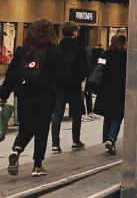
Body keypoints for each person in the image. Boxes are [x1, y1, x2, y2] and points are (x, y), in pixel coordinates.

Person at [0, 18, 64, 177]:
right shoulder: (55, 52)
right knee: (42, 129)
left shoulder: (22, 51)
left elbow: (10, 76)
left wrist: (3, 96)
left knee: (25, 127)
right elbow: (62, 76)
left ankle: (17, 149)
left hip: (24, 96)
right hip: (46, 97)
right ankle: (37, 166)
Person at [50, 21, 90, 153]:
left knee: (57, 115)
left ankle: (55, 144)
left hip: (59, 87)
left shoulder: (57, 48)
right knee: (77, 114)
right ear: (74, 32)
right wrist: (79, 79)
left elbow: (51, 68)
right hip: (74, 86)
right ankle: (76, 141)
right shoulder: (79, 49)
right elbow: (85, 68)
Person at [94, 34, 127, 154]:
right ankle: (111, 138)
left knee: (107, 116)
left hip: (105, 88)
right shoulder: (125, 55)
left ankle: (106, 140)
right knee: (117, 116)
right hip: (119, 89)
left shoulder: (105, 54)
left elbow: (99, 68)